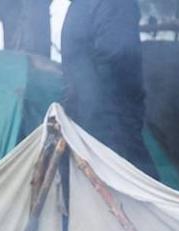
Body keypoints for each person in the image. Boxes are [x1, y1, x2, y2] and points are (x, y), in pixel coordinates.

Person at [60, 0, 158, 178]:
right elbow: (119, 53)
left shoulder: (78, 7)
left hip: (85, 118)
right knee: (137, 190)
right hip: (111, 122)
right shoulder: (116, 3)